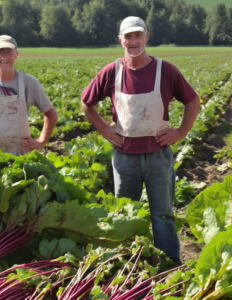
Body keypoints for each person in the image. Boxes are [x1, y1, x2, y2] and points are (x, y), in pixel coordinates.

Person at [81, 16, 200, 264]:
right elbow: (87, 103)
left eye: (138, 35)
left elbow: (193, 101)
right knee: (125, 214)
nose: (133, 41)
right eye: (128, 36)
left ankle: (169, 264)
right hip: (125, 157)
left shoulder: (164, 70)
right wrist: (104, 129)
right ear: (120, 40)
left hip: (158, 156)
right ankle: (127, 263)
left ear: (147, 37)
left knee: (163, 214)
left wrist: (180, 132)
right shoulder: (112, 71)